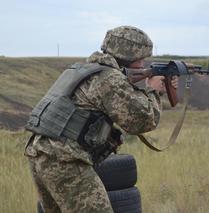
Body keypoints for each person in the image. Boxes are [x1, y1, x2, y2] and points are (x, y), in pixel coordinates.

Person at [24, 26, 178, 213]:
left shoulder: (85, 69)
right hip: (65, 161)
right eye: (141, 58)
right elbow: (143, 121)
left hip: (41, 154)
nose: (143, 63)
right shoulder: (109, 78)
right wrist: (153, 89)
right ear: (130, 55)